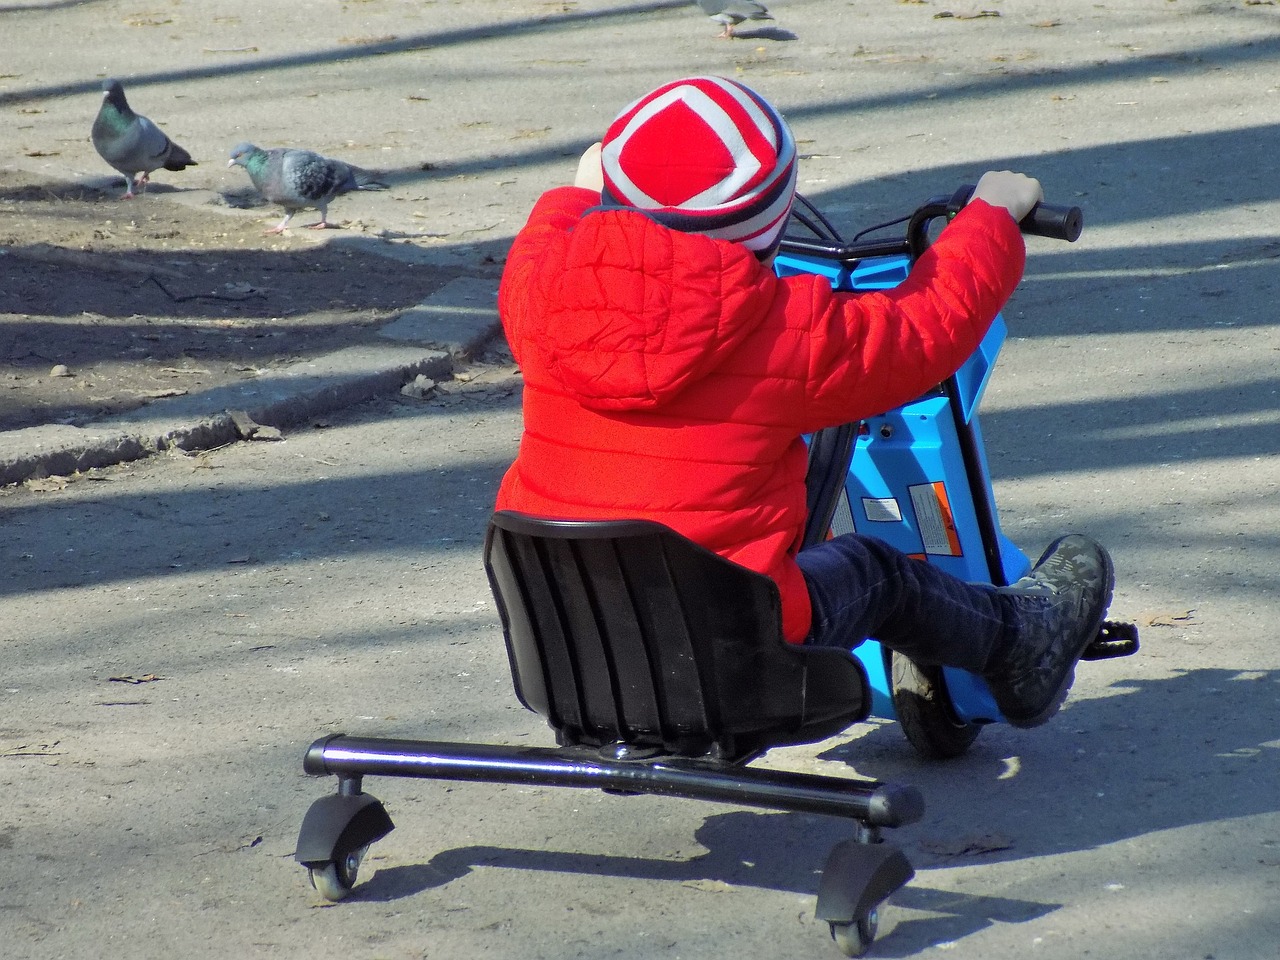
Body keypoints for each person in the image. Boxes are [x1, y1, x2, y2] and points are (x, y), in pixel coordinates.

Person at [495, 75, 1113, 729]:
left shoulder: (537, 289)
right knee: (877, 570)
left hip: (563, 635)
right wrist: (991, 216)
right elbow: (922, 328)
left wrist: (577, 188)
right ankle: (1022, 645)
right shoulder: (784, 332)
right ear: (768, 223)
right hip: (732, 654)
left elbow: (549, 228)